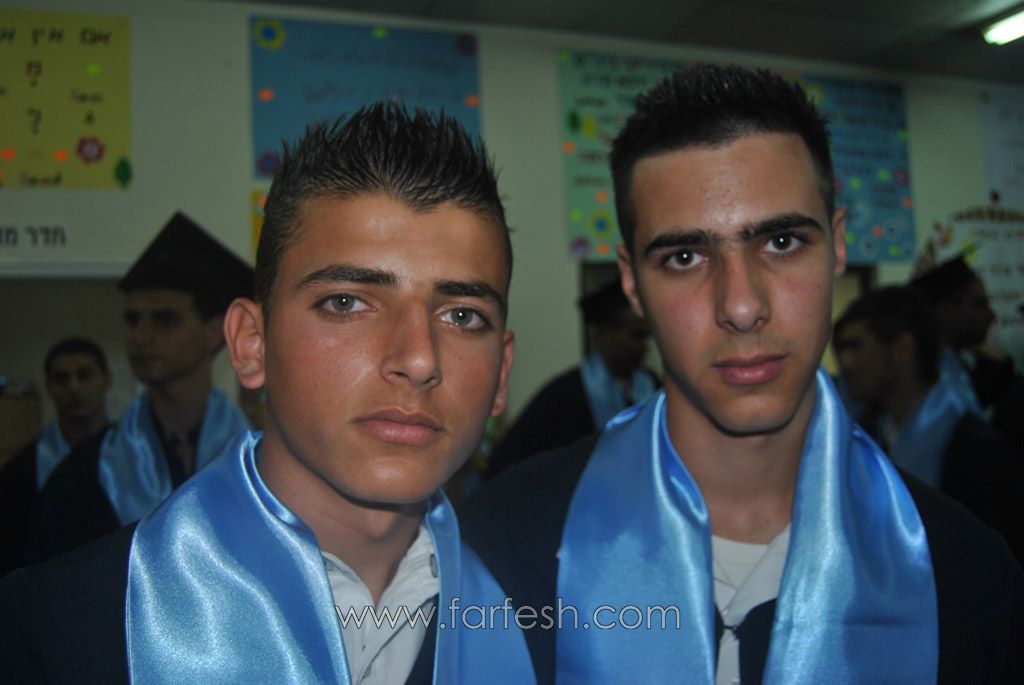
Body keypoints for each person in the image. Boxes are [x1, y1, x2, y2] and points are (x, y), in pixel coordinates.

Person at [460, 63, 1024, 684]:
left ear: (838, 246)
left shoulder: (966, 577)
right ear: (631, 283)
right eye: (685, 256)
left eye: (781, 243)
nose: (742, 306)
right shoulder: (504, 547)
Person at [0, 103, 533, 683]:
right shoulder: (51, 635)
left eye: (462, 315)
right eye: (346, 302)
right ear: (251, 345)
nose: (419, 358)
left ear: (501, 374)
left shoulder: (544, 621)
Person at [28, 212, 253, 562]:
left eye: (165, 320)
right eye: (133, 321)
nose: (140, 337)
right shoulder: (84, 474)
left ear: (213, 333)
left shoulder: (262, 461)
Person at [833, 285, 1024, 562]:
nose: (845, 362)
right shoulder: (868, 437)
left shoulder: (974, 449)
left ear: (902, 349)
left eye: (855, 347)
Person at [487, 279, 656, 476]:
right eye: (636, 335)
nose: (644, 346)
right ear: (605, 332)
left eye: (647, 336)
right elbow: (508, 463)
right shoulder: (564, 396)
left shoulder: (653, 387)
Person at [0, 337, 111, 574]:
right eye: (61, 378)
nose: (74, 387)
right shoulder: (18, 474)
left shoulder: (137, 459)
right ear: (49, 386)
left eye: (84, 375)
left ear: (106, 379)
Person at [910, 253, 1024, 449]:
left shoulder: (966, 368)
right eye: (979, 304)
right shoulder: (932, 383)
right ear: (946, 313)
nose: (992, 316)